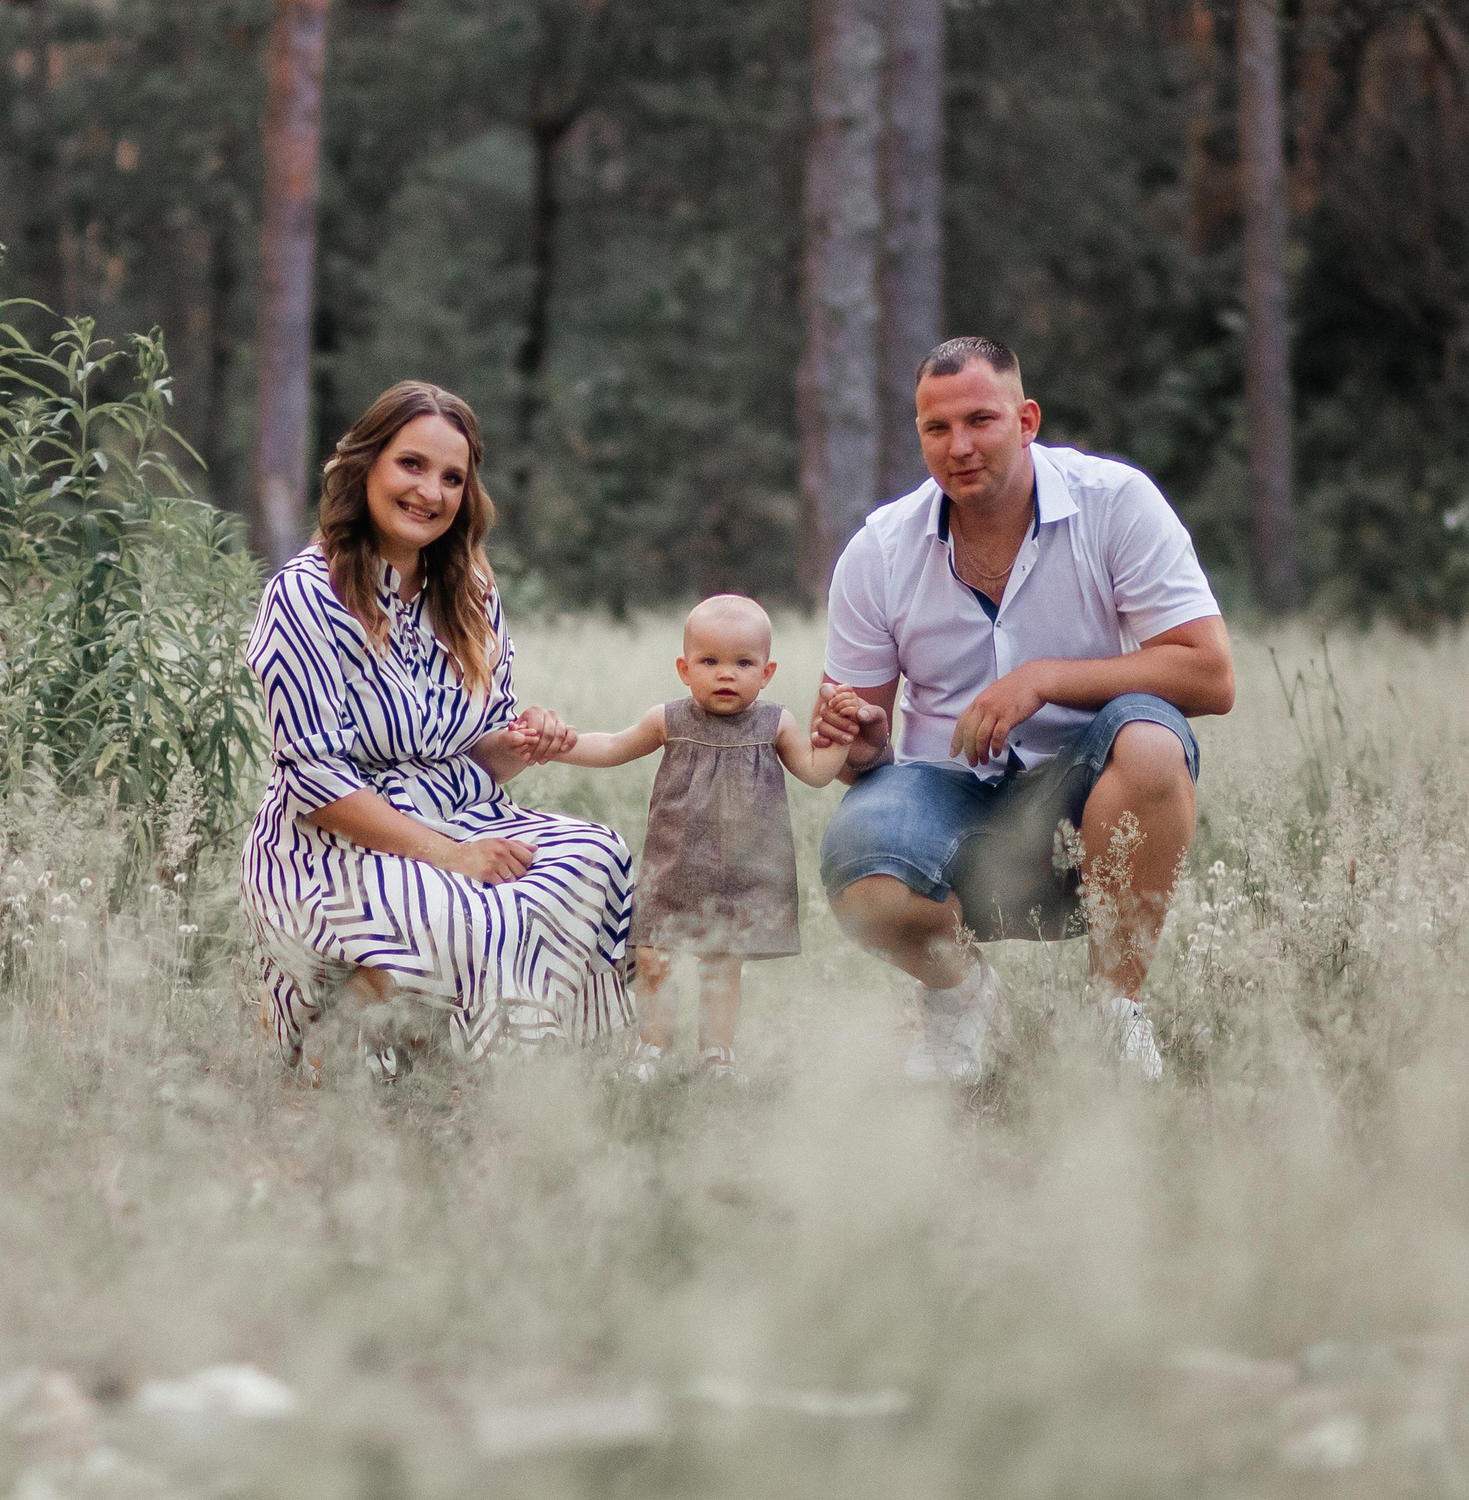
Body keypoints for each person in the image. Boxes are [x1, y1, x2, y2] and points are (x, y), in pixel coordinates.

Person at [810, 336, 1236, 1084]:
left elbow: (1211, 674)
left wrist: (1044, 678)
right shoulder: (878, 550)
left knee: (1151, 742)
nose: (959, 446)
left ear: (1028, 419)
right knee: (859, 865)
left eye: (981, 420)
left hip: (1085, 788)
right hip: (945, 797)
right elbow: (854, 762)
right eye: (936, 428)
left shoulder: (1116, 503)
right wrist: (861, 739)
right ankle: (962, 1002)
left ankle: (1113, 1013)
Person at [240, 381, 634, 1072]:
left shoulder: (471, 591)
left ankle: (501, 1066)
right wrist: (450, 855)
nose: (431, 491)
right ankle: (335, 1047)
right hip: (330, 842)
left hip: (459, 814)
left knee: (596, 857)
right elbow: (316, 782)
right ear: (367, 465)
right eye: (412, 465)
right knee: (469, 908)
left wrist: (519, 744)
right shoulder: (306, 594)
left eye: (453, 477)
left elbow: (476, 758)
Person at [552, 595, 859, 1079]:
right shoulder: (667, 719)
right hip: (674, 864)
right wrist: (558, 748)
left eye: (743, 663)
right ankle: (651, 1048)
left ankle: (717, 1054)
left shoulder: (775, 723)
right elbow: (611, 746)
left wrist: (842, 733)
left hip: (742, 870)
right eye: (709, 661)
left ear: (767, 672)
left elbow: (817, 772)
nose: (726, 674)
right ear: (684, 668)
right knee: (653, 958)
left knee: (722, 965)